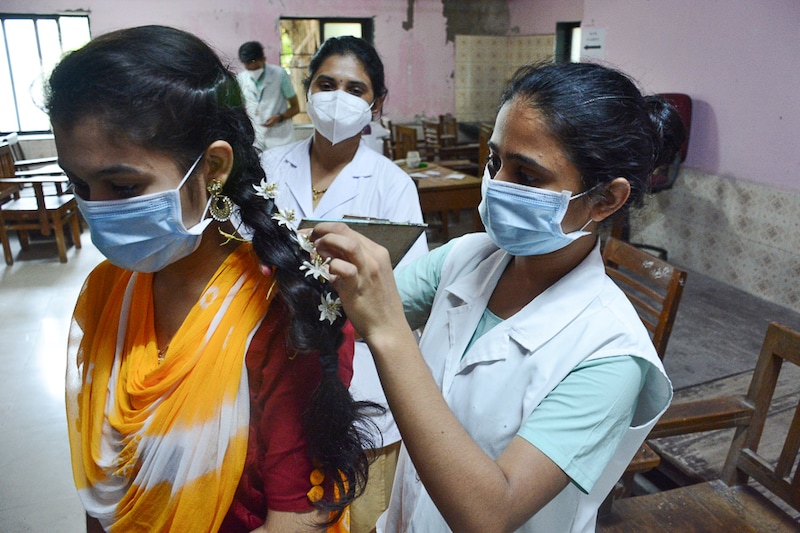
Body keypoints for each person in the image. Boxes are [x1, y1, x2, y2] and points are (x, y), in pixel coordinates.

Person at [309, 61, 685, 532]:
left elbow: (489, 514)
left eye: (527, 176)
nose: (495, 186)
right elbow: (350, 309)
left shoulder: (610, 354)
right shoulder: (468, 258)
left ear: (605, 199)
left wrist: (388, 332)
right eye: (494, 161)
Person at [48, 25, 373, 533]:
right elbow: (105, 484)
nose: (96, 209)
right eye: (79, 183)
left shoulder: (282, 312)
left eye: (123, 185)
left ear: (214, 168)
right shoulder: (107, 292)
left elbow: (294, 518)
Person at [260, 36, 428, 533]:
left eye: (356, 89)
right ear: (308, 92)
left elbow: (409, 290)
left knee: (359, 507)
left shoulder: (392, 184)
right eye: (327, 84)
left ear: (375, 104)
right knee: (287, 493)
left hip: (360, 369)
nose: (339, 97)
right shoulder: (269, 170)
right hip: (274, 354)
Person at [237, 41, 300, 151]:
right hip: (256, 138)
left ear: (264, 59)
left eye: (254, 64)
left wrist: (280, 117)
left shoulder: (279, 75)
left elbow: (296, 108)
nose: (251, 68)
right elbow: (239, 108)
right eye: (247, 65)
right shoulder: (241, 79)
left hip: (281, 138)